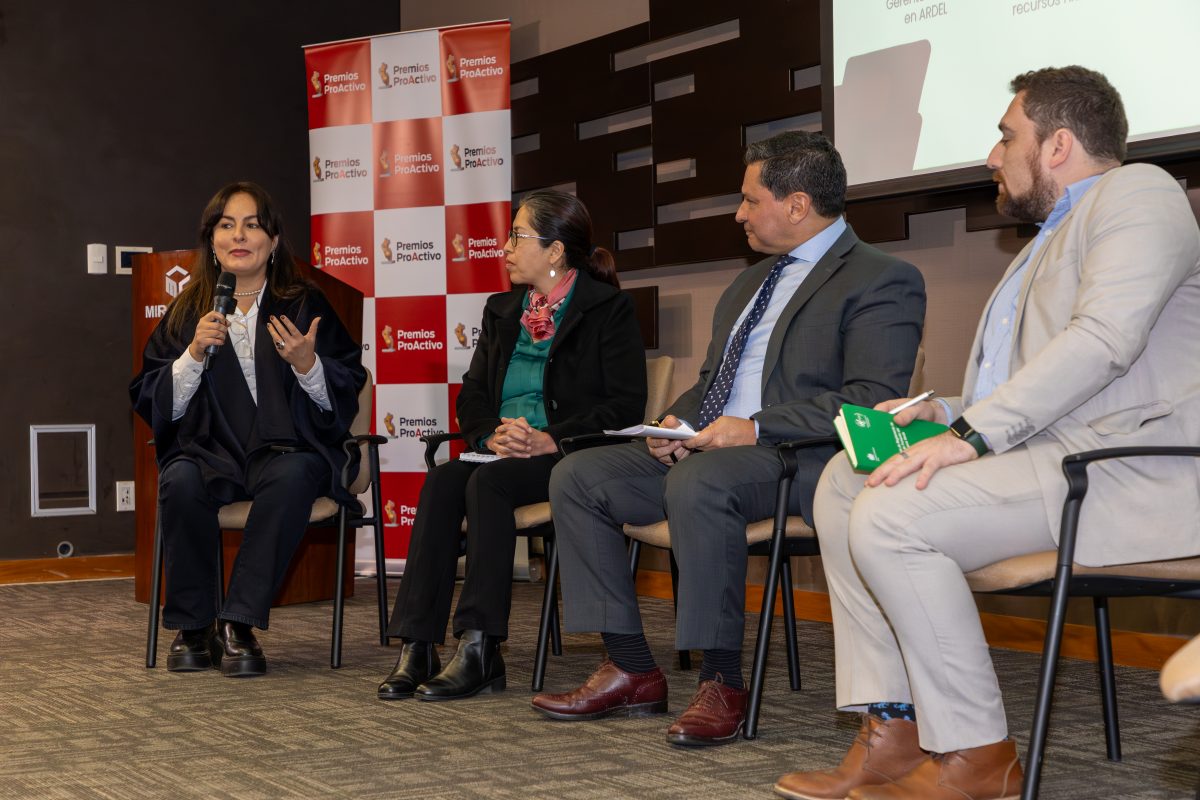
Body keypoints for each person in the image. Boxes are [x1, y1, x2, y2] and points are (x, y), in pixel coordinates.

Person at [774, 66, 1200, 800]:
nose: (992, 156)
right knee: (844, 481)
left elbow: (1103, 343)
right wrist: (942, 414)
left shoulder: (1140, 194)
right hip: (1051, 457)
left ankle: (978, 754)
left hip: (1122, 468)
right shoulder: (1046, 239)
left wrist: (969, 436)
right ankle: (895, 724)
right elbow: (1030, 384)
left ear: (1058, 145)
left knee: (894, 515)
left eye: (1007, 137)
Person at [532, 131, 927, 745]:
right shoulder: (748, 283)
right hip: (714, 451)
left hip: (802, 459)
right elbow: (711, 383)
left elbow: (870, 399)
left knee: (699, 480)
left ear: (796, 205)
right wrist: (674, 424)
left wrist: (757, 428)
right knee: (578, 476)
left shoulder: (882, 277)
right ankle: (631, 668)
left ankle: (722, 680)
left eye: (750, 199)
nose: (739, 214)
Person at [377, 190, 648, 702]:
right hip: (503, 450)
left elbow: (625, 406)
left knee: (490, 483)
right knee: (443, 480)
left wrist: (550, 437)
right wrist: (490, 434)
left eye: (517, 236)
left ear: (554, 250)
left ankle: (480, 645)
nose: (505, 247)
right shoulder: (501, 309)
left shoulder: (607, 308)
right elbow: (473, 394)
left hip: (567, 456)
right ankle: (417, 644)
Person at [131, 181, 365, 678]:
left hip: (283, 450)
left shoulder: (303, 303)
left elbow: (346, 386)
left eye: (252, 225)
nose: (239, 235)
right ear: (211, 240)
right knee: (180, 479)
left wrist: (308, 365)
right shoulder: (188, 310)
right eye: (227, 225)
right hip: (211, 452)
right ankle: (194, 626)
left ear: (273, 241)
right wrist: (193, 354)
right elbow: (151, 396)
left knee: (295, 474)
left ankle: (238, 623)